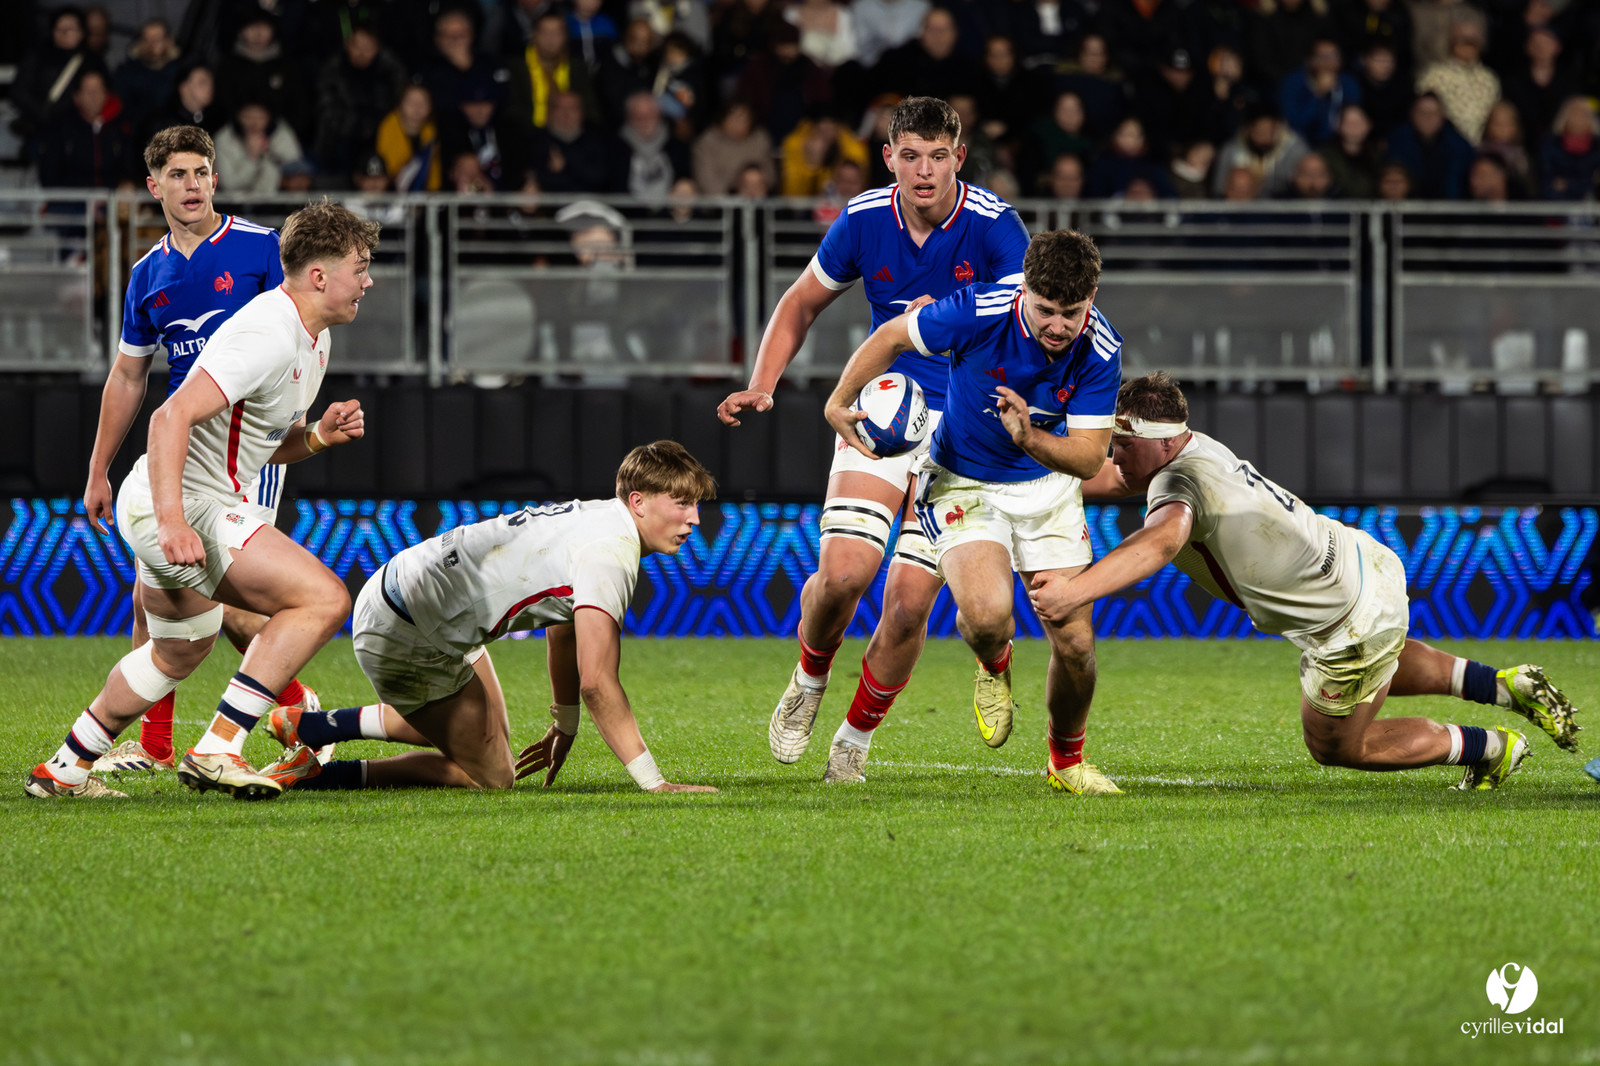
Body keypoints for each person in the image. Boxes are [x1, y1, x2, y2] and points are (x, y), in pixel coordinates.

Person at [1023, 372, 1580, 789]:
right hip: (1364, 565)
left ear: (1164, 442)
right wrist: (1030, 462)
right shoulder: (1187, 449)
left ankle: (1489, 748)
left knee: (1336, 744)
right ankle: (1503, 686)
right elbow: (1108, 478)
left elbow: (1162, 540)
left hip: (1347, 623)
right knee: (1382, 660)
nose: (1111, 454)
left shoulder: (1177, 483)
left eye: (1122, 444)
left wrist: (1076, 589)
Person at [715, 97, 1029, 780]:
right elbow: (801, 300)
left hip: (964, 434)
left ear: (958, 158)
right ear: (889, 158)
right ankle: (809, 676)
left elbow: (1026, 326)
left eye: (938, 156)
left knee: (909, 603)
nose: (924, 171)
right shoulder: (862, 219)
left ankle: (853, 742)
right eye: (910, 156)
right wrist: (764, 381)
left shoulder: (997, 227)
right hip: (879, 411)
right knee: (844, 576)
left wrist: (946, 320)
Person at [26, 199, 380, 800]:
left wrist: (317, 436)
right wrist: (172, 520)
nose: (368, 281)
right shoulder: (270, 330)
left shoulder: (312, 338)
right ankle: (219, 746)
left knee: (177, 651)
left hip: (171, 498)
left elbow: (257, 443)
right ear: (319, 276)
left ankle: (64, 767)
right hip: (182, 502)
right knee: (322, 598)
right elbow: (169, 418)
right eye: (361, 266)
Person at [821, 229, 1122, 792]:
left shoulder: (1101, 347)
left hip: (1048, 486)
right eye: (1045, 310)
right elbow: (890, 337)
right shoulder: (979, 309)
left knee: (1076, 643)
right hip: (963, 482)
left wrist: (1028, 437)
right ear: (1023, 289)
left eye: (1072, 313)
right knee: (987, 620)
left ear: (1093, 296)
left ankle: (1066, 762)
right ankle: (994, 662)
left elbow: (1085, 460)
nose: (1058, 326)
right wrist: (840, 401)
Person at [255, 442, 721, 796]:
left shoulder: (601, 519)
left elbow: (563, 630)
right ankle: (318, 775)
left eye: (696, 504)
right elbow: (597, 681)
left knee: (478, 730)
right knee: (494, 775)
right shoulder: (611, 552)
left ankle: (313, 727)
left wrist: (565, 724)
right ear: (638, 501)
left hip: (411, 598)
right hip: (408, 630)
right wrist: (652, 781)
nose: (695, 518)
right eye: (682, 503)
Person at [80, 125, 318, 777]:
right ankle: (155, 744)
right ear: (154, 186)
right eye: (178, 175)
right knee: (152, 588)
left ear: (217, 178)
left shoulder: (260, 249)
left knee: (233, 606)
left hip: (247, 447)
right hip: (185, 445)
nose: (192, 185)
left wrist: (292, 421)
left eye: (202, 172)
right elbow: (129, 376)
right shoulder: (146, 275)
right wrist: (99, 468)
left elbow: (306, 330)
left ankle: (305, 716)